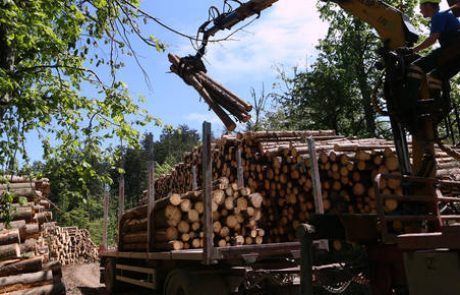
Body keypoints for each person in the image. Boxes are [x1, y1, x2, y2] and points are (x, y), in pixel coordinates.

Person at [406, 0, 460, 101]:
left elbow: (432, 39)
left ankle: (409, 101)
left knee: (415, 67)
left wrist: (412, 50)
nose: (420, 11)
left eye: (420, 7)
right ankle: (438, 107)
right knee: (435, 77)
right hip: (455, 57)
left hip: (454, 49)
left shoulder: (438, 16)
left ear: (428, 5)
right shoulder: (445, 15)